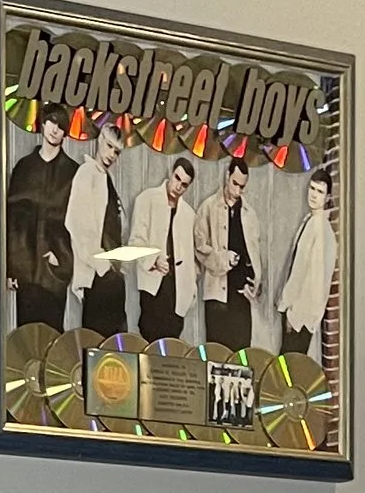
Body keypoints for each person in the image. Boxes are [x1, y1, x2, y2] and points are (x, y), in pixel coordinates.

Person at [6, 109, 77, 337]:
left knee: (52, 337)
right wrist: (10, 267)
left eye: (61, 126)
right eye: (51, 123)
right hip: (26, 266)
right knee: (25, 338)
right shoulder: (24, 168)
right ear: (43, 125)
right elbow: (12, 219)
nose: (55, 130)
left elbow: (80, 223)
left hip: (55, 270)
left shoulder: (73, 172)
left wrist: (64, 260)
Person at [66, 119, 132, 336]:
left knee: (115, 347)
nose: (112, 154)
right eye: (109, 146)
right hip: (98, 276)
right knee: (98, 345)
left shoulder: (106, 179)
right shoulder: (86, 174)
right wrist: (101, 266)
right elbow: (76, 225)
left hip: (111, 275)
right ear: (99, 141)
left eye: (117, 151)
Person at [128, 155, 200, 343]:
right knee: (149, 341)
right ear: (170, 173)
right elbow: (136, 241)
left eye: (184, 184)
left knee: (172, 346)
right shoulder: (146, 199)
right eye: (177, 178)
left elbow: (190, 257)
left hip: (177, 292)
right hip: (153, 287)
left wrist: (191, 290)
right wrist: (154, 259)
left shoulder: (189, 214)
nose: (178, 186)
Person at [194, 154, 261, 352]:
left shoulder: (250, 213)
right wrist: (223, 259)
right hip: (216, 294)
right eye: (235, 183)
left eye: (242, 186)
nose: (238, 190)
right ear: (227, 176)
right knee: (216, 355)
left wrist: (257, 283)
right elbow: (200, 247)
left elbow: (256, 253)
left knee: (242, 355)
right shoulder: (208, 207)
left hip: (241, 297)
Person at [276, 174, 338, 364]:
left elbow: (306, 276)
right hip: (299, 314)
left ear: (327, 197)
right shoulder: (310, 221)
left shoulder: (320, 229)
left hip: (300, 316)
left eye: (320, 192)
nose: (313, 195)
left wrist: (290, 310)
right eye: (312, 188)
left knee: (288, 371)